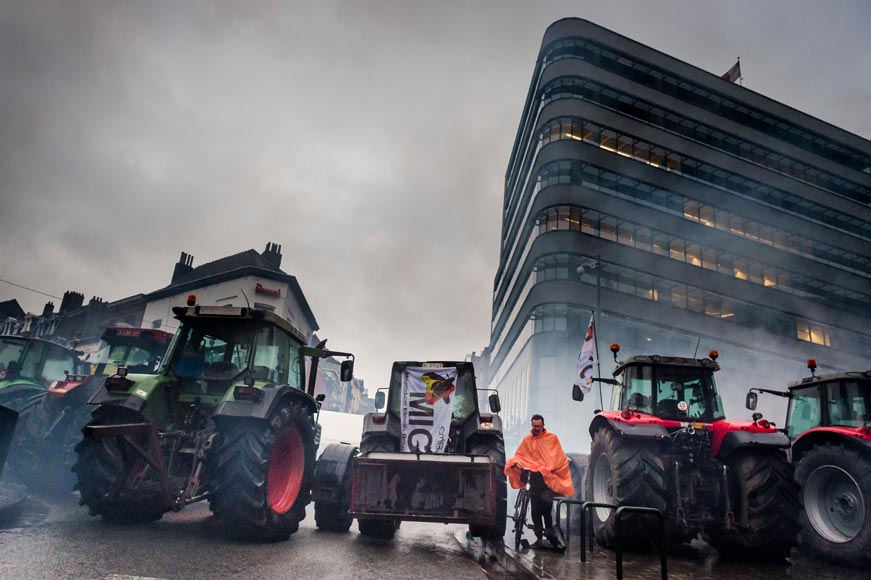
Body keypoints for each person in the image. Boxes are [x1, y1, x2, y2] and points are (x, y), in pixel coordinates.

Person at [505, 414, 574, 550]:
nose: (536, 429)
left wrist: (546, 468)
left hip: (547, 481)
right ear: (532, 426)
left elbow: (557, 458)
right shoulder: (527, 440)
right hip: (533, 480)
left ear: (543, 425)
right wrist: (516, 464)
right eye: (534, 426)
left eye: (539, 426)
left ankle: (549, 535)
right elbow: (520, 455)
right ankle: (538, 537)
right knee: (535, 509)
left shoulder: (551, 439)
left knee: (546, 508)